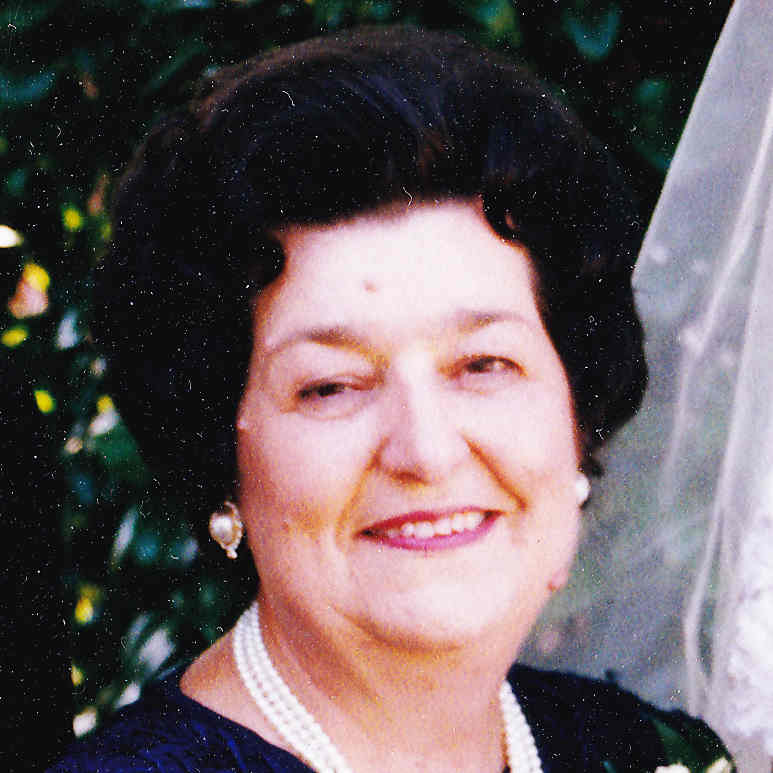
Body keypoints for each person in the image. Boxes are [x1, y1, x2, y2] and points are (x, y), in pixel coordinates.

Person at [49, 26, 732, 773]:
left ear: (576, 414)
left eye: (483, 364)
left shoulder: (636, 749)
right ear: (220, 453)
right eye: (330, 386)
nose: (427, 451)